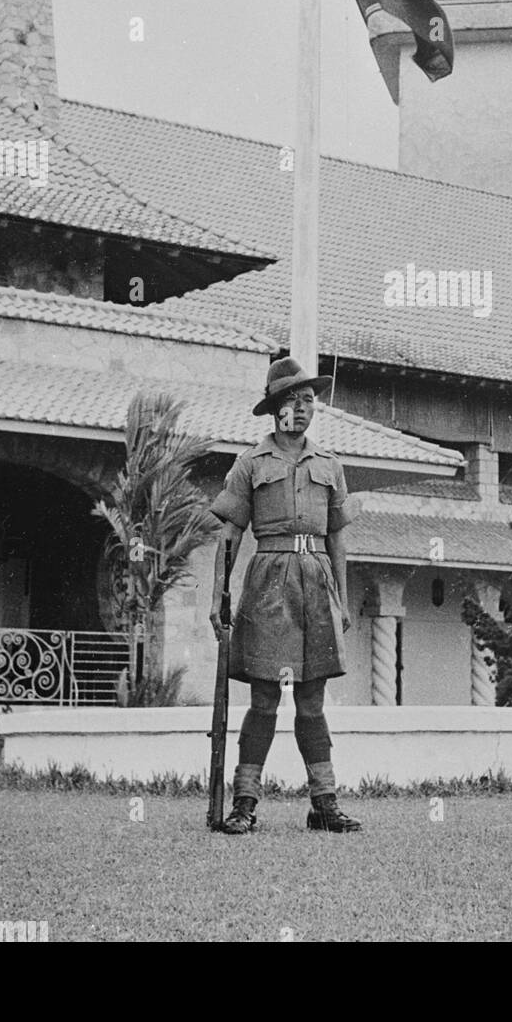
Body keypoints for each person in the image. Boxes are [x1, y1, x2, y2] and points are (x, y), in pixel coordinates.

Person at [209, 357, 362, 835]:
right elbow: (230, 534)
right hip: (269, 582)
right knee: (264, 700)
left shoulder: (331, 466)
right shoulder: (250, 463)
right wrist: (219, 595)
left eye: (308, 399)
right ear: (274, 409)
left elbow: (337, 537)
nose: (301, 407)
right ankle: (244, 804)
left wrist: (339, 598)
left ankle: (324, 804)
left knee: (313, 703)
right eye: (291, 400)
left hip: (316, 583)